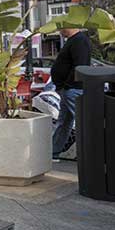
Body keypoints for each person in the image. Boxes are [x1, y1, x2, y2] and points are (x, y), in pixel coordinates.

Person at [50, 27, 90, 160]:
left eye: (62, 26)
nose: (59, 29)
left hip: (72, 89)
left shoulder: (79, 41)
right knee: (64, 121)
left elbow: (80, 66)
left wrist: (67, 85)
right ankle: (53, 152)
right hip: (68, 89)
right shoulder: (73, 41)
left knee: (83, 121)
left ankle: (92, 152)